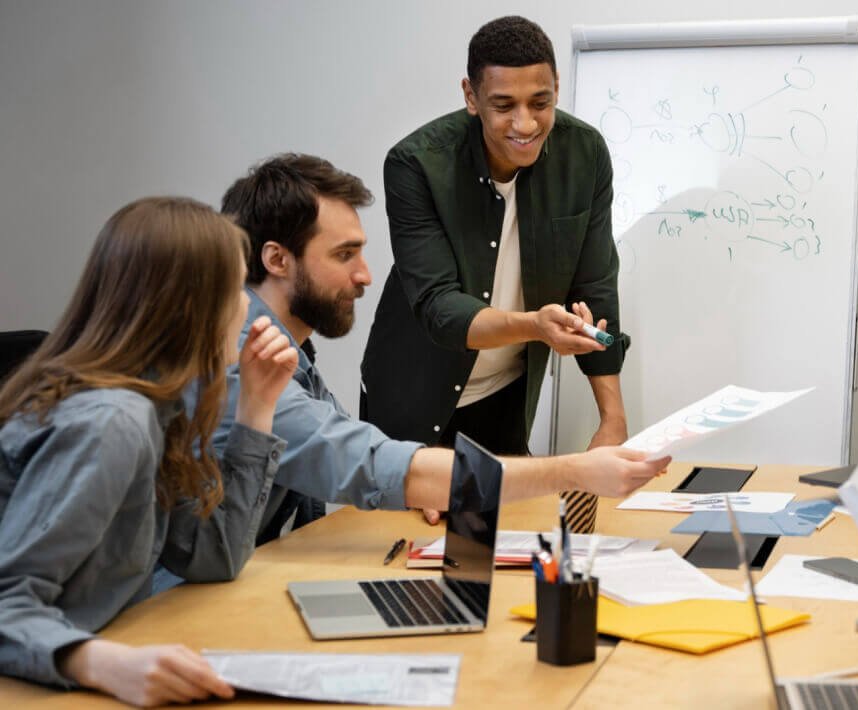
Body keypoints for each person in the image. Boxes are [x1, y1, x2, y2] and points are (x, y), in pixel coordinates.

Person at [207, 153, 666, 547]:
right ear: (277, 259)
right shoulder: (242, 361)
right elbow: (367, 463)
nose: (365, 275)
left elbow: (364, 449)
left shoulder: (285, 351)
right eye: (344, 255)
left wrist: (427, 486)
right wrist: (575, 471)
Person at [0, 197, 298, 705]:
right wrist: (100, 661)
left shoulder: (156, 406)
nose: (247, 306)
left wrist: (257, 406)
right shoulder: (112, 423)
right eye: (235, 287)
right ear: (190, 308)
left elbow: (214, 556)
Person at [362, 15, 626, 532]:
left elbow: (596, 287)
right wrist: (534, 327)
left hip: (504, 395)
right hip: (413, 400)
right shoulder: (416, 164)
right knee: (405, 547)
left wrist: (611, 419)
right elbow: (439, 308)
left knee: (502, 546)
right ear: (471, 96)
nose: (525, 124)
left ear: (556, 89)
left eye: (540, 103)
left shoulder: (585, 154)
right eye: (504, 105)